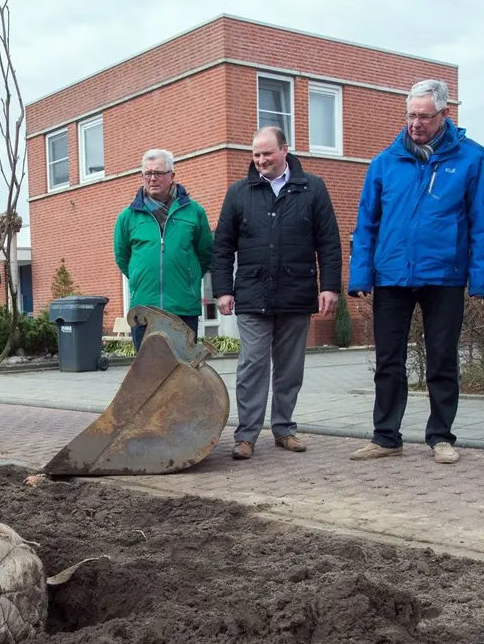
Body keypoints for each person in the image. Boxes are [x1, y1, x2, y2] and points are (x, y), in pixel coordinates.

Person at [346, 79, 484, 465]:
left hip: (443, 276)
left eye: (425, 116)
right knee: (388, 361)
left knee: (442, 358)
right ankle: (386, 436)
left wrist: (480, 278)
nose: (416, 123)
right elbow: (366, 223)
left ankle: (441, 436)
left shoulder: (471, 158)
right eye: (411, 115)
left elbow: (483, 222)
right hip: (392, 275)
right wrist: (361, 275)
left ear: (445, 115)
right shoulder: (384, 162)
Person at [211, 126, 342, 460]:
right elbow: (223, 246)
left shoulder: (312, 188)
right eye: (255, 154)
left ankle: (284, 429)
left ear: (285, 150)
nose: (260, 160)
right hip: (253, 294)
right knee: (252, 364)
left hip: (296, 292)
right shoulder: (239, 192)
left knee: (289, 367)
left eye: (267, 153)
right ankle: (246, 436)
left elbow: (328, 242)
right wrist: (223, 290)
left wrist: (329, 286)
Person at [113, 149, 214, 351]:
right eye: (147, 173)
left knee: (184, 372)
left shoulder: (194, 212)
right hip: (144, 311)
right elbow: (122, 258)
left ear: (171, 176)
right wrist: (139, 276)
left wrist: (187, 278)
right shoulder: (127, 217)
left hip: (183, 309)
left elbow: (205, 254)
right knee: (147, 375)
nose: (152, 178)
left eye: (158, 173)